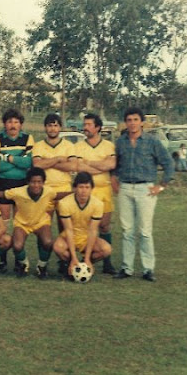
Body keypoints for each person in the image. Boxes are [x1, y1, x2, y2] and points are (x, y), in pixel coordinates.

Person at [113, 107, 175, 282]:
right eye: (129, 120)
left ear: (142, 122)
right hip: (125, 188)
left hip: (145, 189)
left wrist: (161, 186)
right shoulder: (120, 142)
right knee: (127, 230)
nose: (132, 123)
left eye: (135, 120)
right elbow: (114, 164)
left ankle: (148, 269)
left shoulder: (152, 141)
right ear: (125, 123)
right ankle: (127, 268)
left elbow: (168, 163)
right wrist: (113, 179)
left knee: (145, 231)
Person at [0, 167, 57, 278]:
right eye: (33, 182)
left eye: (39, 182)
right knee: (17, 245)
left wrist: (74, 192)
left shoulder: (49, 191)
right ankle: (24, 264)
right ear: (28, 182)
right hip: (22, 223)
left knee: (48, 242)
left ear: (43, 182)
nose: (36, 185)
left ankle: (42, 266)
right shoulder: (18, 192)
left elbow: (59, 195)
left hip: (40, 222)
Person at [32, 113, 77, 272]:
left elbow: (73, 166)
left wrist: (48, 162)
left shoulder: (68, 145)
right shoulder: (38, 145)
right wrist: (58, 159)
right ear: (45, 127)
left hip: (65, 191)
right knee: (43, 227)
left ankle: (64, 261)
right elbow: (37, 165)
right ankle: (42, 263)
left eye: (56, 125)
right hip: (45, 191)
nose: (53, 128)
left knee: (65, 228)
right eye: (50, 125)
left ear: (60, 127)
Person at [74, 113, 118, 274]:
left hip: (104, 190)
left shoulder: (108, 145)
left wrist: (89, 163)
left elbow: (111, 165)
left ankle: (107, 263)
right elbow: (79, 167)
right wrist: (101, 165)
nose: (85, 127)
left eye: (89, 124)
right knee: (84, 226)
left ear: (98, 127)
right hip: (85, 191)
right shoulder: (78, 146)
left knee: (104, 226)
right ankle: (78, 258)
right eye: (84, 124)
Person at [0, 108, 35, 273]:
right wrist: (19, 160)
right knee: (3, 224)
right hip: (4, 184)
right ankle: (2, 260)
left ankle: (20, 260)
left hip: (22, 185)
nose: (13, 125)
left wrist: (8, 158)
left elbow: (29, 163)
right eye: (9, 121)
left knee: (19, 224)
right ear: (5, 124)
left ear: (21, 124)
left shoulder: (27, 138)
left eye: (16, 122)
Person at [53, 172, 113, 279]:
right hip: (70, 236)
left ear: (91, 189)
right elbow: (69, 230)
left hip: (86, 236)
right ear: (75, 188)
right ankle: (70, 263)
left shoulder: (98, 204)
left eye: (87, 187)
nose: (84, 191)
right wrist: (73, 257)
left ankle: (84, 263)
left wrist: (87, 258)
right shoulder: (64, 203)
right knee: (58, 247)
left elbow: (93, 231)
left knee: (106, 249)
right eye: (81, 187)